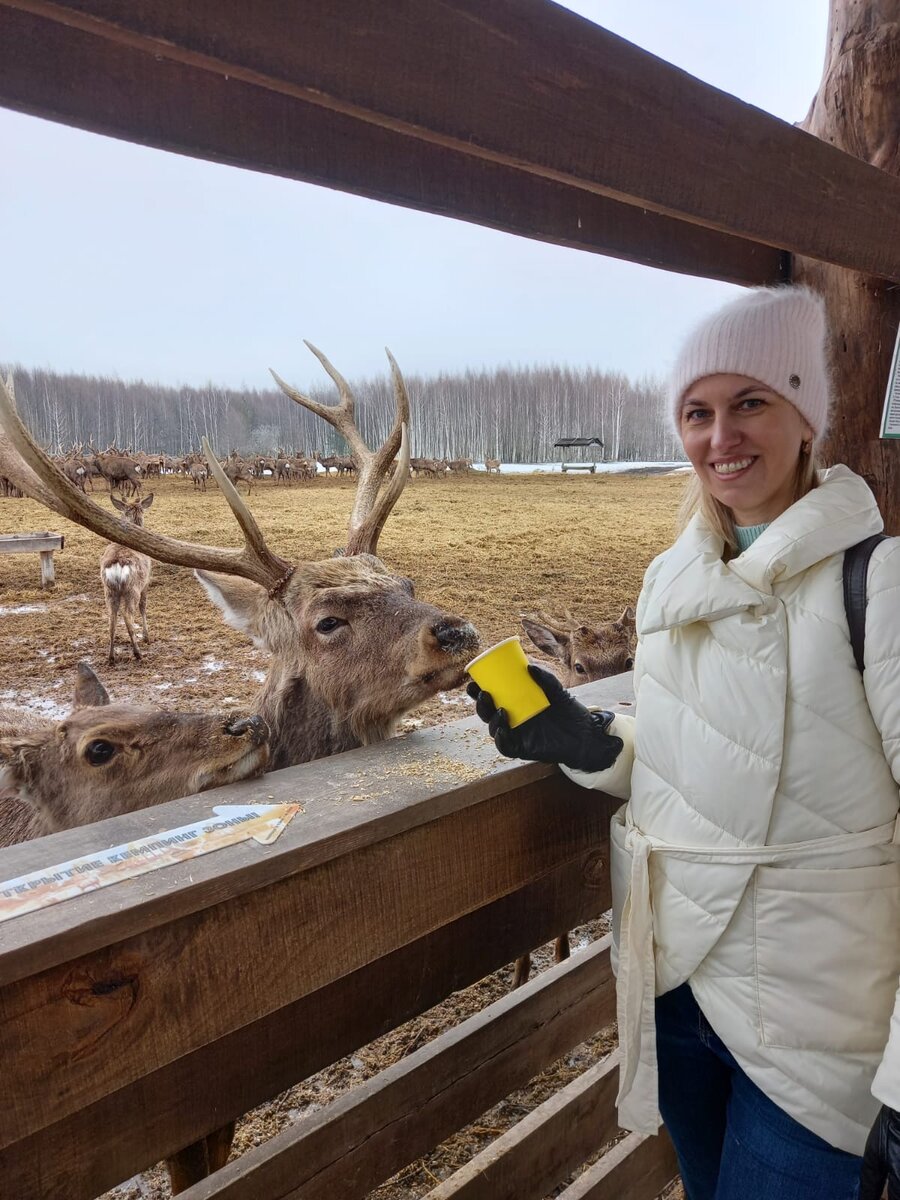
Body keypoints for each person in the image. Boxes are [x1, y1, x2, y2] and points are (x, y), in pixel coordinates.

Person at [468, 286, 900, 1199]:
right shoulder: (673, 579)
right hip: (678, 995)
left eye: (751, 403)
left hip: (819, 1026)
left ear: (805, 417)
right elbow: (692, 758)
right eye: (697, 413)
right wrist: (584, 739)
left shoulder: (879, 585)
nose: (721, 437)